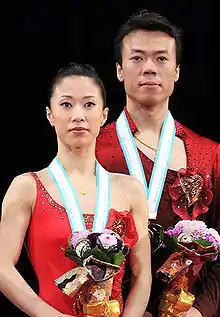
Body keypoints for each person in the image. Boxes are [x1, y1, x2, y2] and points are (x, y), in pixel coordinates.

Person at [0, 62, 152, 317]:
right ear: (50, 115)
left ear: (104, 115)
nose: (78, 115)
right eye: (67, 104)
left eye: (89, 104)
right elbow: (2, 266)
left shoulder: (131, 190)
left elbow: (143, 275)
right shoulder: (28, 187)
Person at [95, 9, 220, 317]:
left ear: (176, 71)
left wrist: (201, 311)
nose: (149, 67)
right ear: (119, 70)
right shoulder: (91, 149)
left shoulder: (209, 153)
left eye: (161, 58)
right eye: (137, 58)